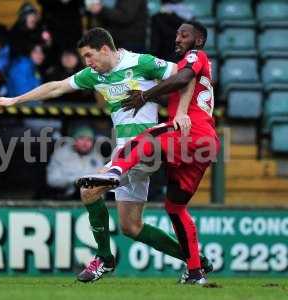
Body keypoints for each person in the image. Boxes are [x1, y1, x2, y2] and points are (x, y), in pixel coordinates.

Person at [0, 27, 212, 283]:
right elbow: (57, 87)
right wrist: (14, 100)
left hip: (144, 150)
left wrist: (182, 112)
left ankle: (104, 260)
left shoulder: (141, 62)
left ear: (105, 49)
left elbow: (186, 77)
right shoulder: (95, 74)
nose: (87, 63)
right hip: (127, 154)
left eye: (89, 56)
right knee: (131, 227)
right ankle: (195, 260)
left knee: (89, 189)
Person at [76, 21, 220, 284]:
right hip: (200, 146)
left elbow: (183, 77)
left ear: (198, 41)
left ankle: (115, 173)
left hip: (191, 133)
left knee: (140, 141)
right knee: (173, 208)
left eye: (184, 35)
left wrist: (145, 96)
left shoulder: (194, 56)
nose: (177, 38)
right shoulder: (190, 68)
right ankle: (196, 267)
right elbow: (180, 84)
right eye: (176, 33)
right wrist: (152, 96)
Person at [46, 126, 104, 199]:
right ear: (74, 140)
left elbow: (104, 181)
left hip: (94, 199)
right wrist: (74, 182)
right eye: (81, 138)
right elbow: (52, 180)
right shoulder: (60, 155)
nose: (85, 143)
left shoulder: (97, 157)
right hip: (67, 199)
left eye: (89, 140)